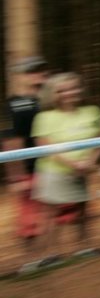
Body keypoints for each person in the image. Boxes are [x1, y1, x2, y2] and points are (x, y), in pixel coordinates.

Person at [28, 72, 100, 271]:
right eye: (62, 90)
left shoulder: (92, 111)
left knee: (83, 210)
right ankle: (50, 254)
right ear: (53, 94)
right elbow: (44, 145)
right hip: (53, 170)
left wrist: (89, 162)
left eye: (74, 88)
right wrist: (73, 164)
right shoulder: (44, 117)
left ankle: (84, 247)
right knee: (49, 213)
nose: (69, 93)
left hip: (83, 170)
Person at [2, 57, 49, 249]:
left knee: (52, 211)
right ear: (19, 76)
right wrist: (16, 177)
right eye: (32, 71)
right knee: (29, 217)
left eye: (41, 71)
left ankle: (50, 254)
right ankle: (30, 259)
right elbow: (10, 141)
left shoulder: (47, 100)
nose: (39, 75)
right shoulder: (12, 104)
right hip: (29, 169)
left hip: (52, 164)